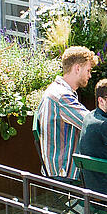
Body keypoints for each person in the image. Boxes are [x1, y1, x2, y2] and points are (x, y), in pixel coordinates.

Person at [35, 46, 97, 181]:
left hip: (54, 166)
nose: (90, 75)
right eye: (88, 70)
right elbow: (92, 125)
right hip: (64, 170)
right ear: (77, 68)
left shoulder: (56, 89)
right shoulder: (63, 96)